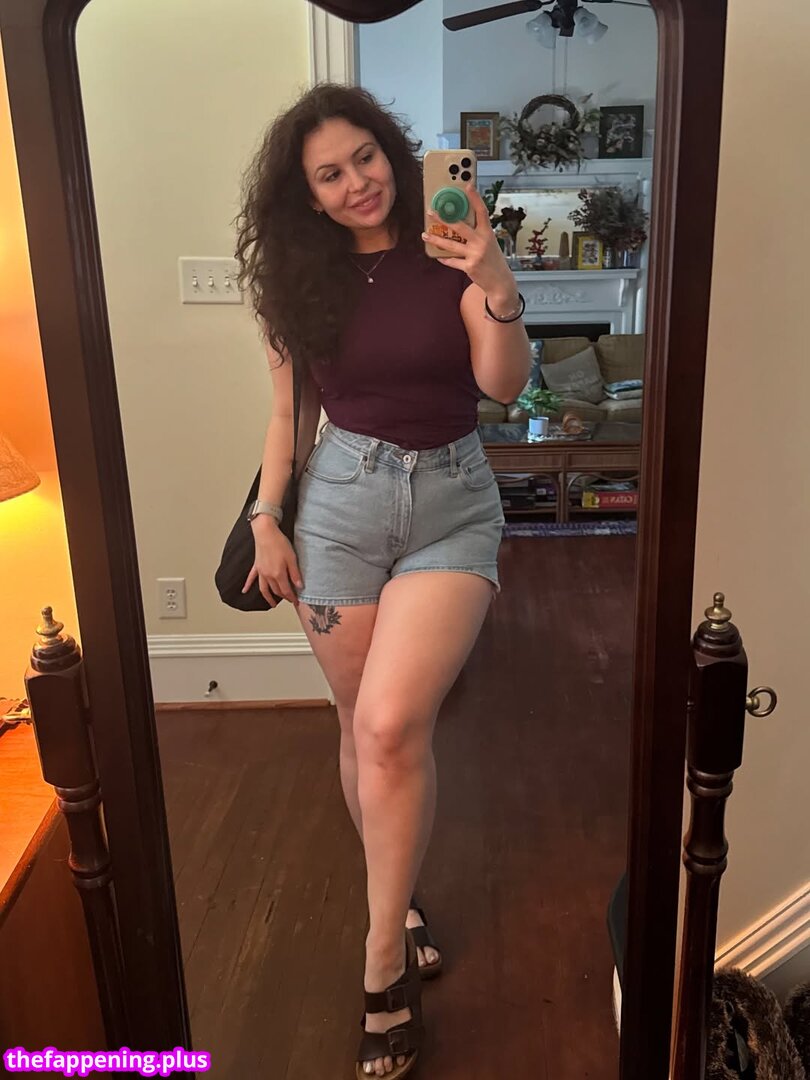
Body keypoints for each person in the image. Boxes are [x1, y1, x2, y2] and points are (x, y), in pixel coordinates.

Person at [235, 83, 530, 1079]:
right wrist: (266, 518)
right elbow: (290, 416)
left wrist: (492, 275)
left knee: (395, 726)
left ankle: (379, 964)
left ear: (393, 152)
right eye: (330, 174)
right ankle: (396, 903)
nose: (356, 182)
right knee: (359, 722)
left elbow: (502, 384)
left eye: (365, 157)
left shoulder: (450, 248)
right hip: (340, 509)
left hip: (453, 501)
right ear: (308, 195)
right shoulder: (296, 281)